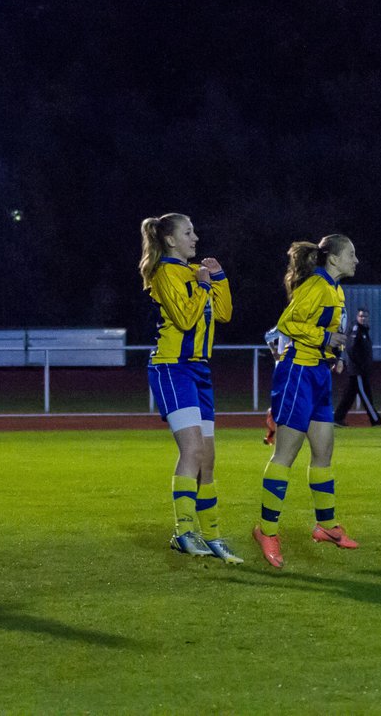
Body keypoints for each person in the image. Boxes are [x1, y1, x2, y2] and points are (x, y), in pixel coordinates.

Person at [252, 234, 361, 568]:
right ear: (334, 259)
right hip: (298, 372)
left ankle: (325, 526)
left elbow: (323, 330)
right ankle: (266, 530)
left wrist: (336, 351)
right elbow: (287, 323)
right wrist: (325, 338)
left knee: (324, 453)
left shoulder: (335, 290)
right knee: (285, 455)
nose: (356, 260)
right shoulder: (316, 285)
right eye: (351, 255)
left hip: (317, 373)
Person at [139, 213, 241, 563]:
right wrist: (201, 284)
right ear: (170, 240)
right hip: (171, 367)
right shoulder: (165, 272)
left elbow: (224, 314)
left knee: (208, 460)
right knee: (193, 452)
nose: (195, 237)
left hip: (199, 370)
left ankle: (212, 536)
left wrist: (219, 278)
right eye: (188, 232)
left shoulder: (195, 272)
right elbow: (184, 318)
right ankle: (184, 532)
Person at [333, 307, 381, 427]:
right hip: (357, 370)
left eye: (365, 316)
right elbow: (350, 348)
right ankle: (375, 420)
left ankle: (337, 418)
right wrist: (360, 365)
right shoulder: (356, 330)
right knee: (365, 395)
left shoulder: (363, 330)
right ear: (357, 317)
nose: (363, 318)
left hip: (360, 370)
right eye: (361, 316)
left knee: (349, 395)